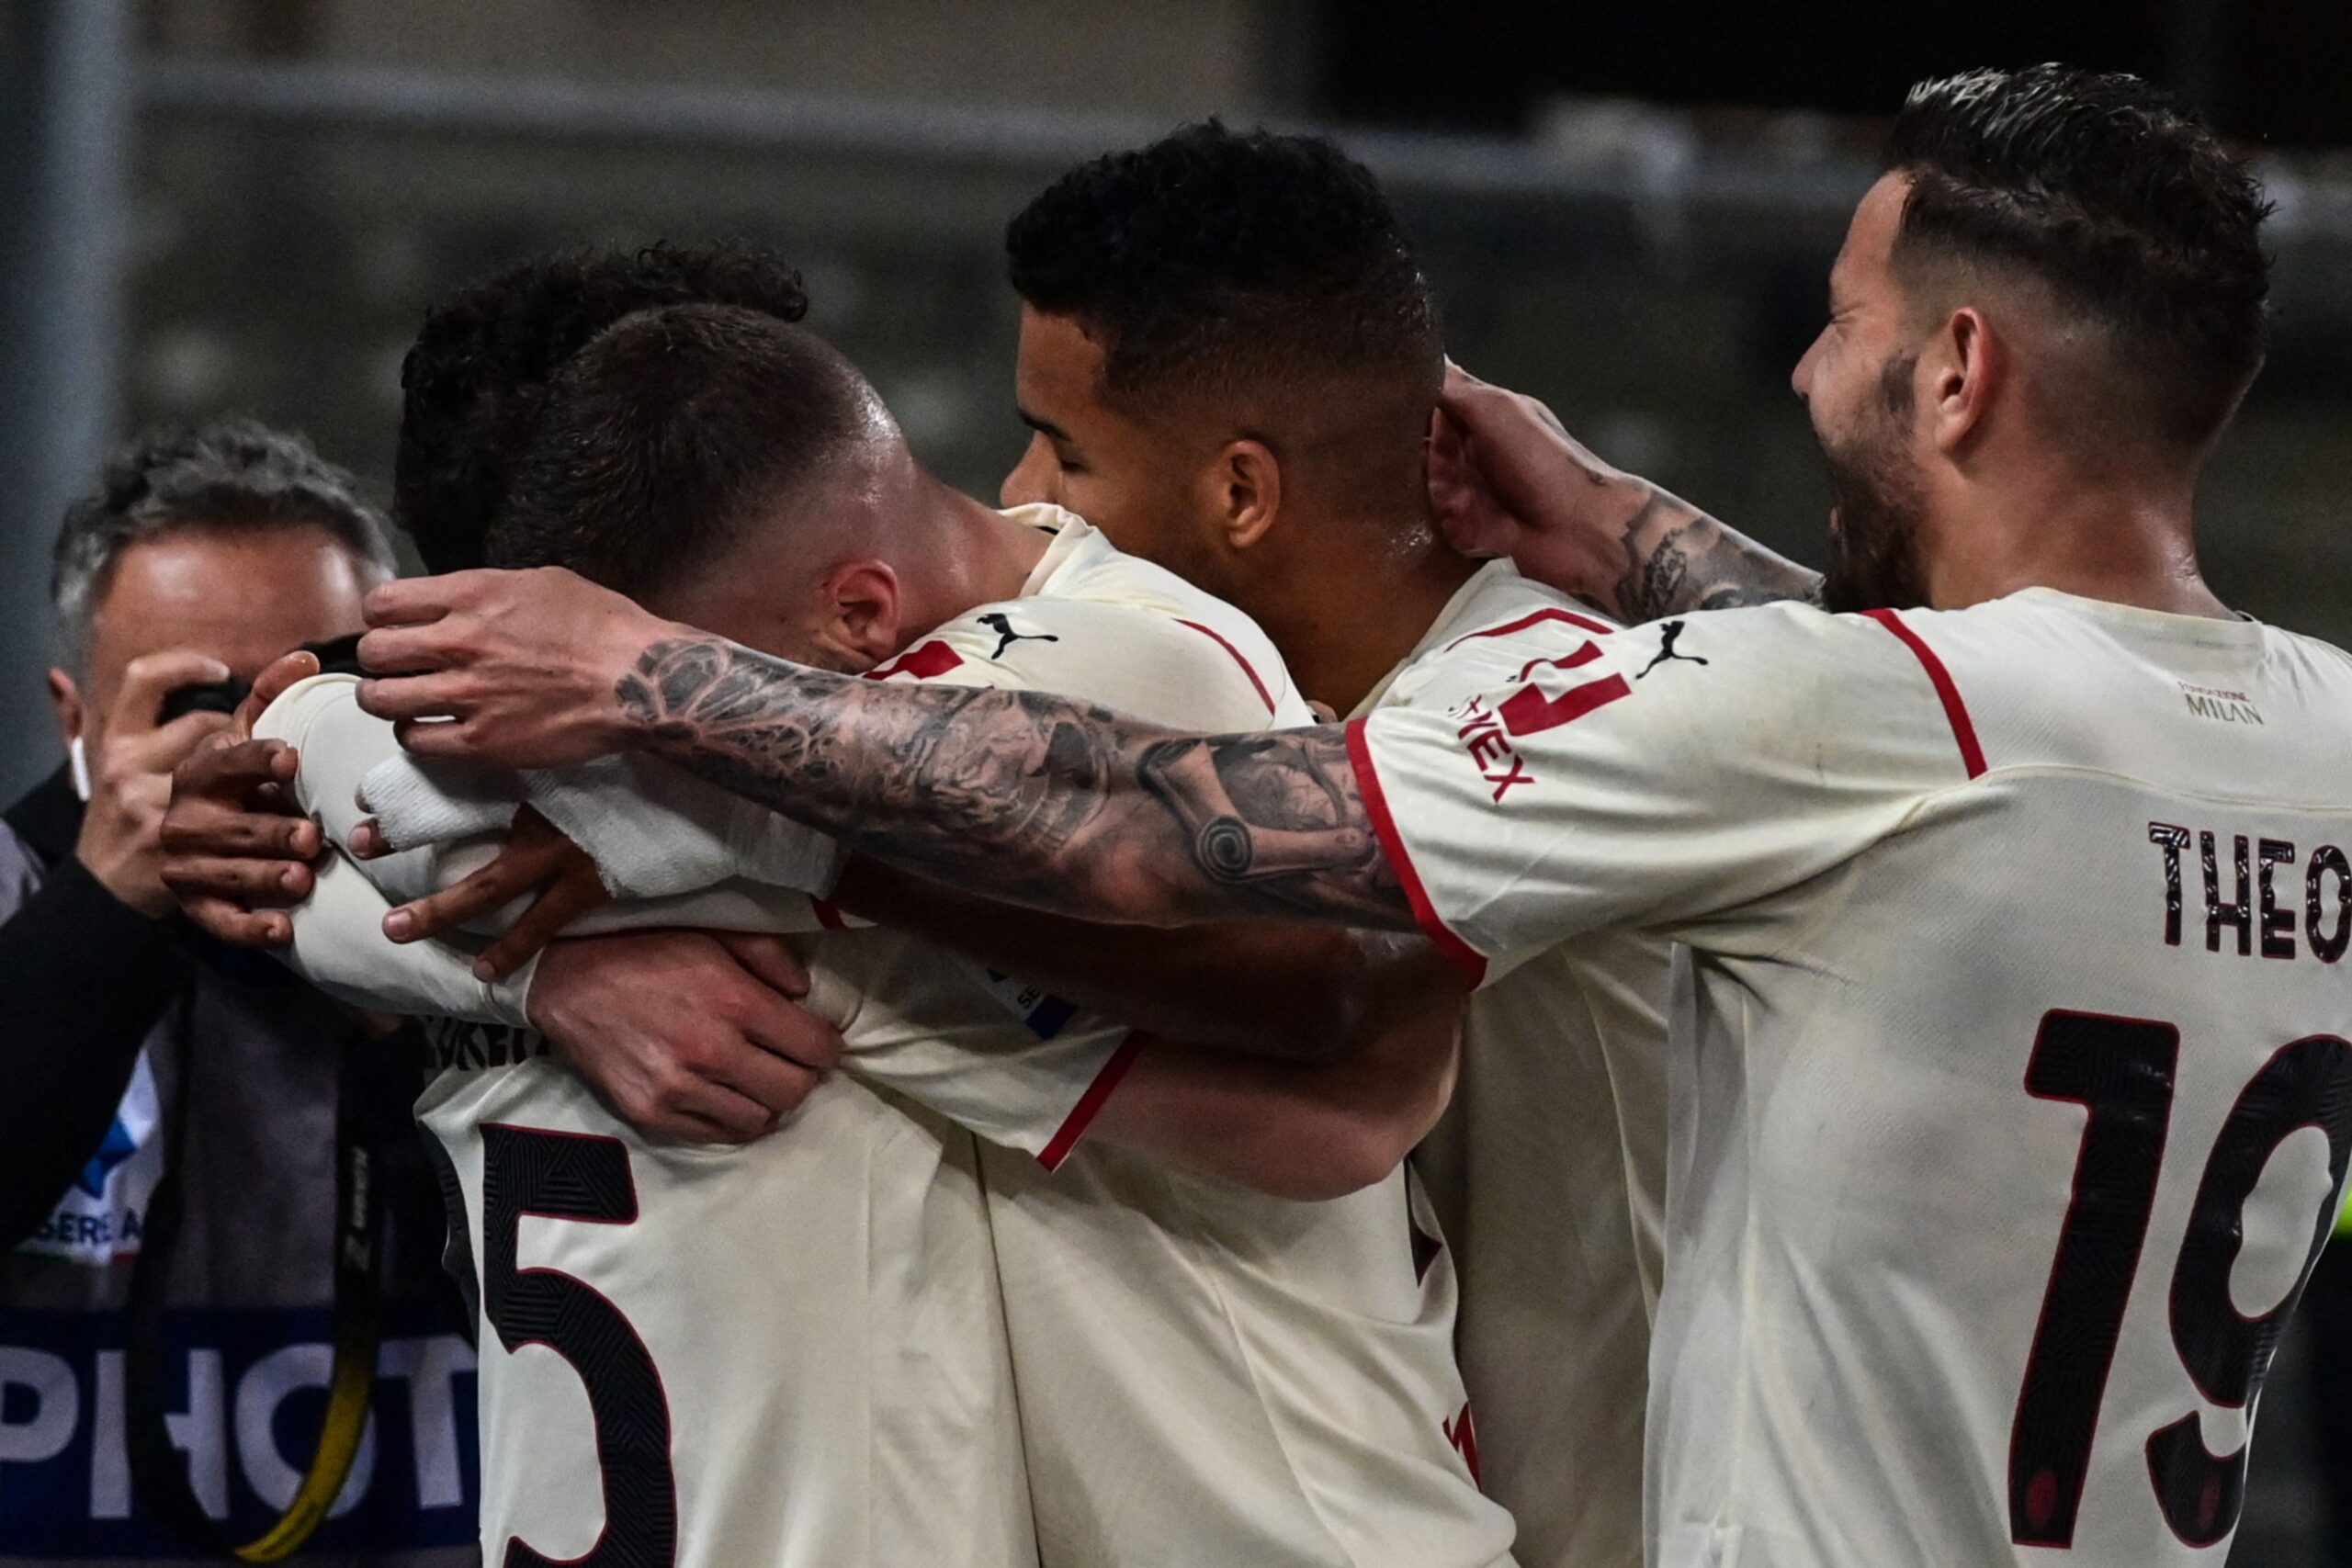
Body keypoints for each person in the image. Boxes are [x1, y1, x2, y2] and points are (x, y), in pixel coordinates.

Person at [327, 66, 2352, 1568]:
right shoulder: (2306, 733)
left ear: (1960, 369)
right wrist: (1629, 530)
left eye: (1840, 321)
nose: (1811, 369)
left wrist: (655, 695)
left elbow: (1177, 847)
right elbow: (1947, 703)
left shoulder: (1822, 718)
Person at [173, 248, 1514, 1567]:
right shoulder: (799, 828)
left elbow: (396, 811)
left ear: (851, 607)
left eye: (653, 679)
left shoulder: (1122, 675)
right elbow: (390, 805)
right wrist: (541, 975)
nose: (645, 730)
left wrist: (311, 731)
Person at [0, 424, 478, 1563]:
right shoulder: (15, 891)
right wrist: (107, 908)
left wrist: (393, 982)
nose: (259, 748)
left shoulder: (482, 902)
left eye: (315, 690)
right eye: (201, 698)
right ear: (76, 721)